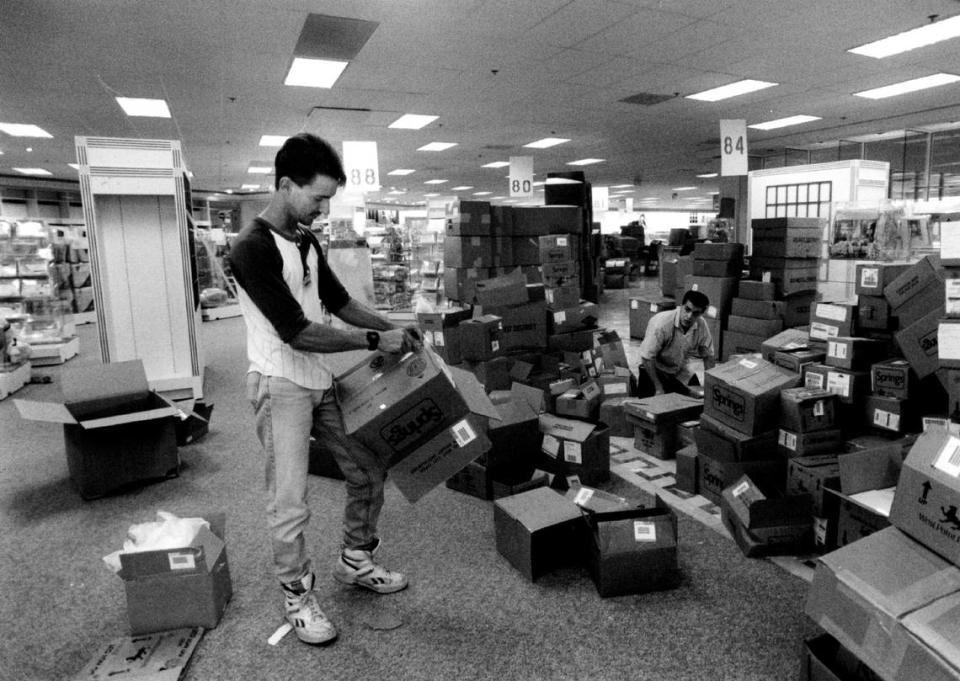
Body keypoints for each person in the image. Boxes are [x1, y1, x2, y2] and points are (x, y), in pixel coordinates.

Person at [227, 133, 421, 647]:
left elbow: (337, 301)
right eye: (317, 197)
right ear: (286, 185)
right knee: (289, 502)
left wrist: (392, 327)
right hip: (280, 383)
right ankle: (296, 595)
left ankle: (355, 560)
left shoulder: (307, 240)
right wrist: (374, 339)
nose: (322, 208)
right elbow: (297, 329)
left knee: (367, 466)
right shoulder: (251, 248)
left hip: (318, 379)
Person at [638, 289, 715, 396]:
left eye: (695, 313)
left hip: (679, 370)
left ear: (702, 313)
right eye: (687, 309)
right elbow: (646, 358)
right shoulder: (662, 324)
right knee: (659, 405)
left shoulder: (701, 325)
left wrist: (711, 386)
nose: (689, 316)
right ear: (681, 305)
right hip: (655, 369)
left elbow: (708, 357)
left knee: (697, 399)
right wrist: (658, 388)